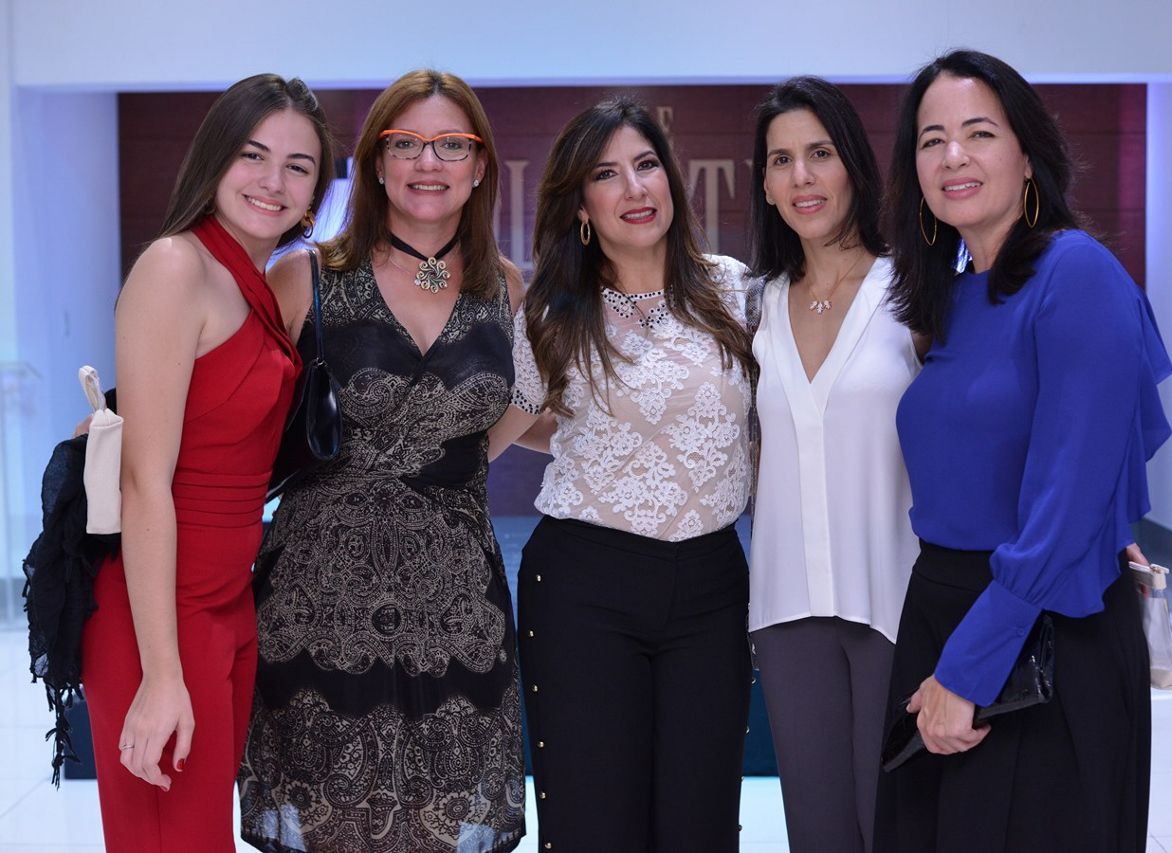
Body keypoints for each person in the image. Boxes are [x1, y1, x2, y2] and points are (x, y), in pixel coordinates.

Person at [875, 49, 1172, 852]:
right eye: (931, 140)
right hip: (942, 607)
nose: (953, 156)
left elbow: (1067, 505)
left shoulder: (1077, 275)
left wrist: (969, 668)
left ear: (1028, 152)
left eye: (978, 132)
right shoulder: (953, 294)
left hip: (1043, 627)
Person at [237, 70, 527, 852]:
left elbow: (532, 406)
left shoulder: (508, 288)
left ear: (479, 166)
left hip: (456, 608)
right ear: (373, 163)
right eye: (405, 144)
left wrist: (455, 458)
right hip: (317, 603)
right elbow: (249, 421)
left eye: (450, 145)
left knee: (445, 823)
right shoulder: (304, 276)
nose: (427, 163)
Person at [488, 97, 756, 853]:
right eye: (607, 174)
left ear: (670, 179)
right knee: (593, 828)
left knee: (700, 828)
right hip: (584, 589)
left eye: (646, 165)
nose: (634, 188)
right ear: (581, 205)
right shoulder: (551, 312)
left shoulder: (735, 291)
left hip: (710, 585)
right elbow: (499, 434)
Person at [79, 74, 336, 852]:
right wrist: (161, 674)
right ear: (216, 157)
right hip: (160, 614)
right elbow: (141, 480)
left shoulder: (252, 278)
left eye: (299, 166)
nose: (274, 181)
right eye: (254, 155)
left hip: (226, 603)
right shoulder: (176, 266)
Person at [745, 76, 920, 853]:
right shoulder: (753, 302)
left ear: (854, 163)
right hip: (786, 610)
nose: (802, 177)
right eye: (781, 160)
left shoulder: (913, 292)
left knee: (900, 821)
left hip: (897, 597)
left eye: (820, 153)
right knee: (817, 831)